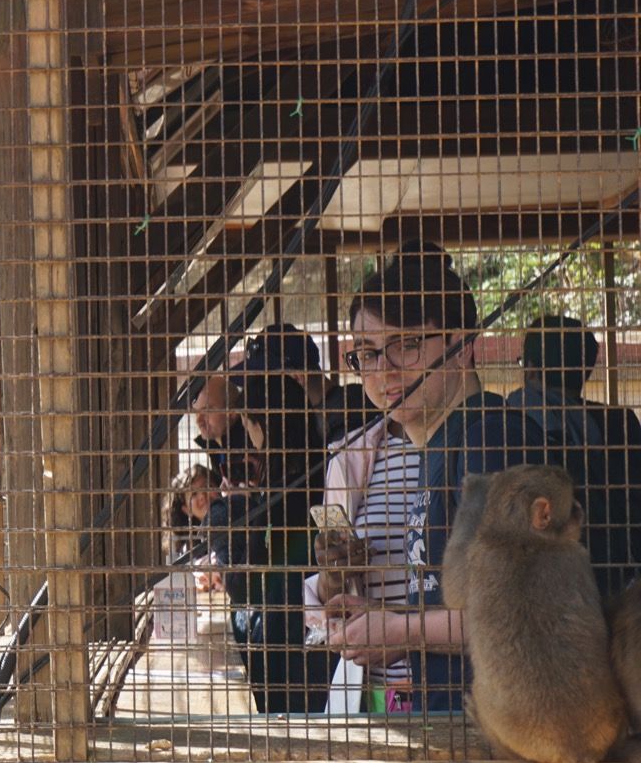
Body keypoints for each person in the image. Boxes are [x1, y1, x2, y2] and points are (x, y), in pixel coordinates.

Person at [323, 242, 549, 713]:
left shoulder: (490, 437)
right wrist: (388, 618)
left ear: (462, 346)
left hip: (510, 736)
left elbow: (517, 611)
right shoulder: (436, 451)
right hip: (453, 728)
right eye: (367, 353)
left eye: (406, 345)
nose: (384, 370)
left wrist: (403, 631)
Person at [211, 367, 331, 714]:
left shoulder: (275, 494)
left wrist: (240, 514)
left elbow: (242, 586)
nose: (250, 438)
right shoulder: (324, 473)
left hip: (287, 646)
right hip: (319, 646)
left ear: (266, 426)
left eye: (250, 426)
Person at [507, 314, 641, 599]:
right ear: (586, 371)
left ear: (530, 368)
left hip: (551, 587)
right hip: (621, 582)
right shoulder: (619, 422)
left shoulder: (510, 416)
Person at [243, 322, 376, 444]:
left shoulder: (344, 429)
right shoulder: (350, 404)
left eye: (264, 386)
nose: (258, 395)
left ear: (297, 379)